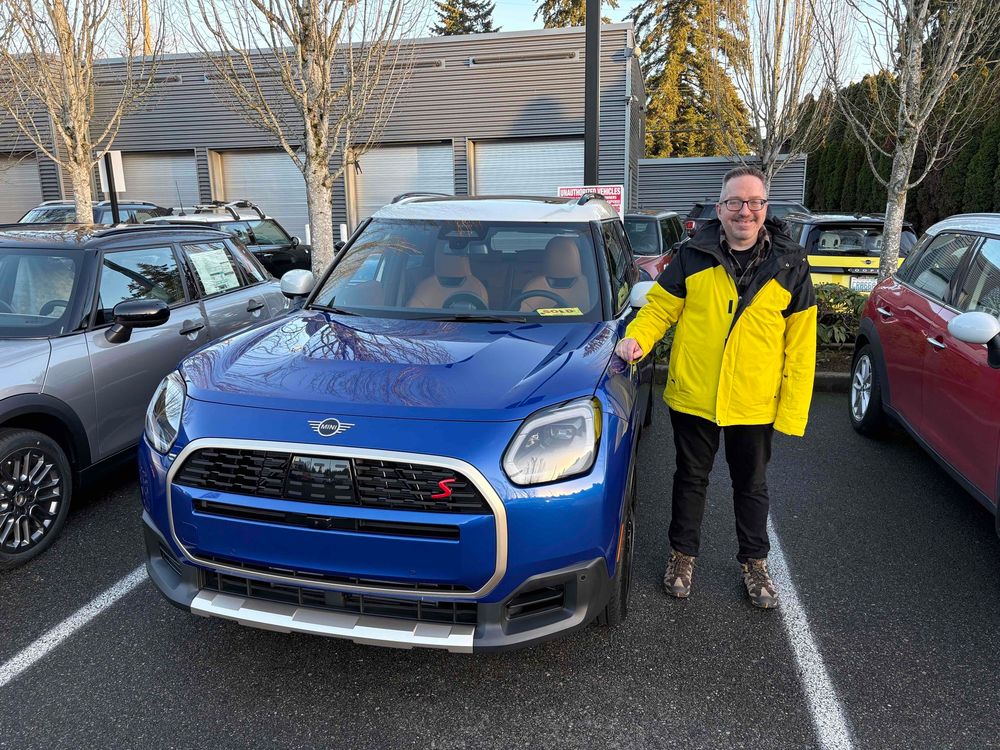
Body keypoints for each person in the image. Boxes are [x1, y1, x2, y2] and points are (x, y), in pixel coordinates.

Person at [616, 166, 816, 609]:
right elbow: (659, 311)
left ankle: (754, 563)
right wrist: (637, 338)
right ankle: (682, 557)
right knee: (690, 479)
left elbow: (801, 347)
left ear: (765, 208)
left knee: (752, 486)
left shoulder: (792, 263)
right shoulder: (691, 255)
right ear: (719, 208)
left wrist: (792, 410)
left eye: (754, 202)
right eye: (734, 202)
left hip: (754, 401)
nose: (744, 211)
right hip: (695, 396)